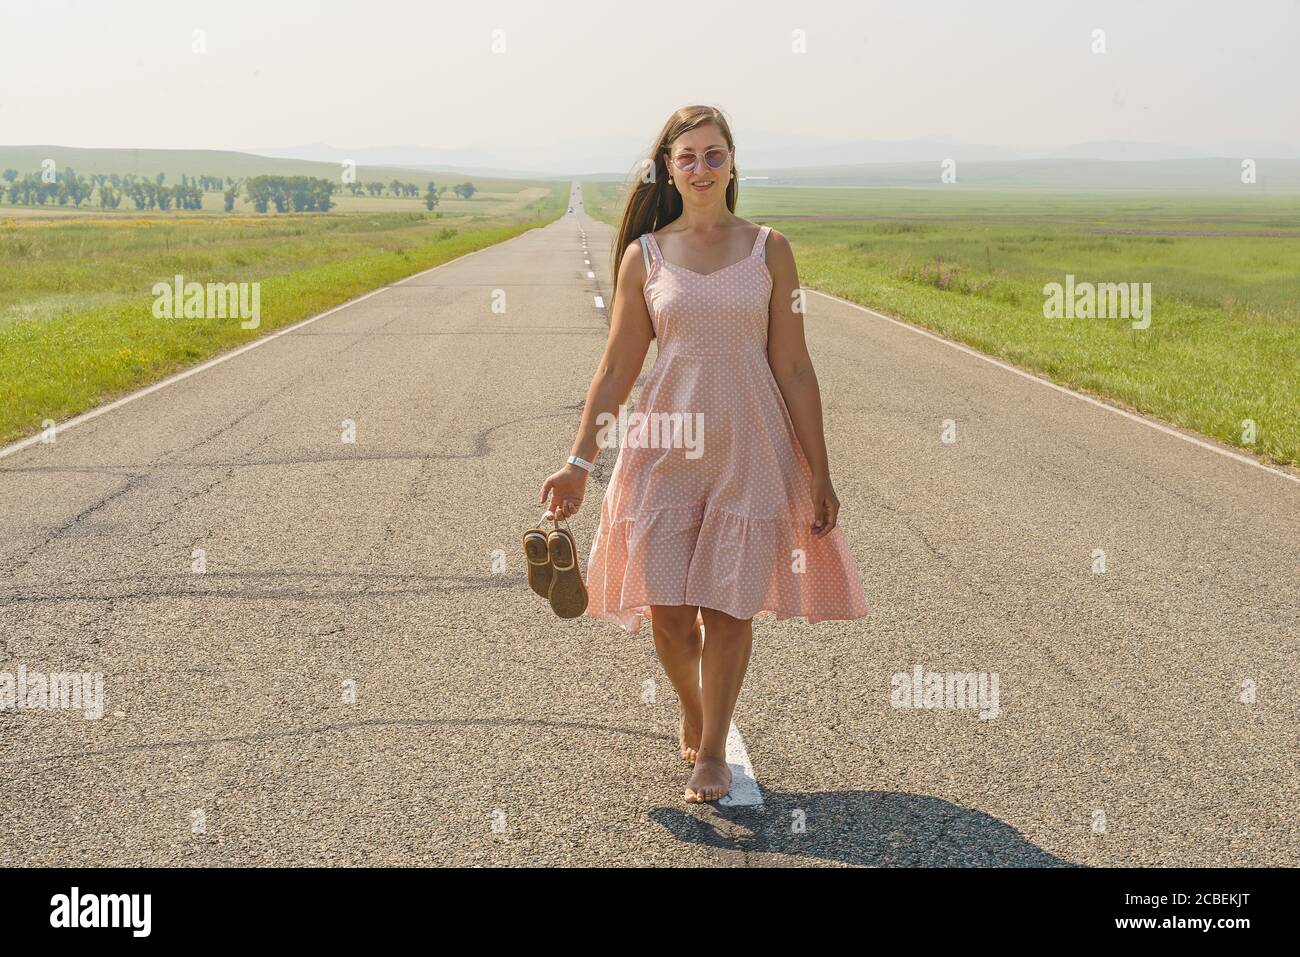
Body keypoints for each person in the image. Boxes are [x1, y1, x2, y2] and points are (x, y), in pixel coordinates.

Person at [539, 105, 869, 803]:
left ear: (732, 162)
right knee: (667, 610)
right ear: (668, 167)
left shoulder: (769, 249)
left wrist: (821, 470)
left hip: (751, 446)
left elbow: (796, 365)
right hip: (663, 446)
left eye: (713, 154)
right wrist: (576, 461)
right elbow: (616, 369)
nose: (700, 167)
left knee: (727, 607)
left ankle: (714, 749)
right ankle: (692, 709)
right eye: (686, 157)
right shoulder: (646, 255)